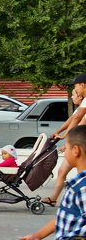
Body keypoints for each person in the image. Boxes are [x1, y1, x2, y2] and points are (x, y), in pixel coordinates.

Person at [40, 74, 86, 205]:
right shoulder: (84, 101)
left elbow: (79, 120)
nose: (75, 89)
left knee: (81, 172)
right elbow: (73, 118)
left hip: (82, 143)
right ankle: (54, 199)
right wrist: (60, 132)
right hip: (79, 141)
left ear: (83, 85)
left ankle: (78, 201)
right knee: (62, 171)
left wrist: (68, 138)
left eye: (76, 85)